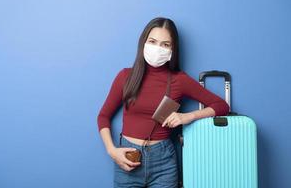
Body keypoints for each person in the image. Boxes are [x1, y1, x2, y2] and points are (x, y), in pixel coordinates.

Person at [97, 17, 230, 188]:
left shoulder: (179, 80)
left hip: (164, 164)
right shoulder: (125, 76)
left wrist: (188, 116)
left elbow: (222, 106)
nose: (157, 49)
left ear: (172, 50)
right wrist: (112, 151)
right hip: (128, 159)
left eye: (165, 45)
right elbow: (103, 116)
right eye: (152, 41)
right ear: (143, 42)